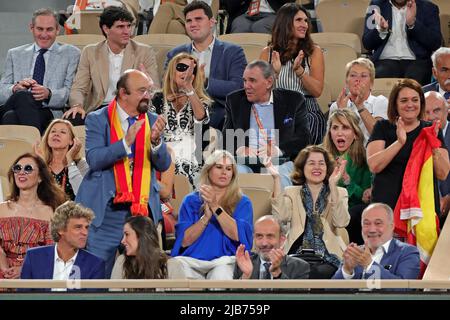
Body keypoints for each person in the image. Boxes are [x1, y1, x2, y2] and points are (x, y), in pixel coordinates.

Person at [75, 69, 171, 278]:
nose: (148, 95)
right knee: (96, 273)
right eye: (141, 90)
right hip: (106, 210)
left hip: (141, 210)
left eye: (149, 90)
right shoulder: (98, 119)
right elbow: (95, 159)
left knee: (143, 274)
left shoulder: (153, 119)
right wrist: (125, 142)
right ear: (123, 93)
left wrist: (156, 142)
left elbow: (163, 164)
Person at [65, 5, 160, 125]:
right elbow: (79, 88)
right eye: (120, 27)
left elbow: (155, 90)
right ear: (106, 29)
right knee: (73, 117)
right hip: (100, 108)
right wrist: (77, 105)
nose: (127, 32)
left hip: (131, 107)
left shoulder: (144, 52)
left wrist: (147, 83)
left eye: (129, 26)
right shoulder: (90, 52)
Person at [223, 60, 310, 188]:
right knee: (237, 175)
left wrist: (277, 150)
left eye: (252, 80)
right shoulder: (235, 100)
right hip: (246, 163)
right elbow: (226, 139)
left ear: (269, 82)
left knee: (279, 176)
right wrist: (240, 149)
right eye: (245, 80)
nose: (246, 86)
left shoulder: (293, 100)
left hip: (281, 162)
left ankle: (281, 208)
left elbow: (304, 138)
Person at [367, 79, 449, 213]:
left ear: (421, 103)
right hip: (388, 210)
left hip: (421, 211)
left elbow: (443, 173)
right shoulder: (382, 127)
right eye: (404, 100)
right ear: (395, 104)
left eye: (415, 100)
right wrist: (399, 142)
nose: (410, 104)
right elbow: (374, 165)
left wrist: (433, 145)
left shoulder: (431, 130)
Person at [269, 145, 350, 279]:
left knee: (317, 273)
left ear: (327, 168)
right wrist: (276, 178)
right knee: (288, 269)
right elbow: (281, 217)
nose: (317, 167)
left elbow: (341, 222)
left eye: (321, 163)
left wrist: (333, 185)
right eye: (311, 163)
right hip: (296, 254)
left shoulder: (340, 192)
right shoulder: (291, 192)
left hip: (328, 256)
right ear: (302, 167)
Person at [170, 150, 253, 280]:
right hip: (192, 260)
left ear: (233, 174)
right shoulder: (191, 201)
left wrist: (215, 207)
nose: (224, 172)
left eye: (228, 169)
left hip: (224, 260)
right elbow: (184, 241)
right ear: (208, 170)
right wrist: (205, 218)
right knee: (174, 266)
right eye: (219, 167)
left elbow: (237, 234)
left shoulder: (242, 202)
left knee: (221, 275)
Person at [166, 1, 247, 130]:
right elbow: (167, 86)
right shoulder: (175, 54)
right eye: (189, 21)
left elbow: (238, 88)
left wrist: (205, 82)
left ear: (212, 22)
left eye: (198, 19)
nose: (193, 24)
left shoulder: (233, 52)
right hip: (180, 111)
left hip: (218, 114)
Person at [0, 8, 80, 134]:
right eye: (40, 29)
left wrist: (49, 94)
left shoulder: (71, 53)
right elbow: (2, 92)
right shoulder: (15, 54)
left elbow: (70, 91)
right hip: (16, 103)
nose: (44, 34)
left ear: (58, 30)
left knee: (11, 117)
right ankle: (40, 149)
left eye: (49, 29)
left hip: (48, 110)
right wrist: (15, 88)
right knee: (22, 95)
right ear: (31, 28)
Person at [260, 3, 325, 144]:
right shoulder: (268, 53)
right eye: (299, 20)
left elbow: (317, 90)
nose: (305, 25)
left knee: (309, 122)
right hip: (277, 106)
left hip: (306, 106)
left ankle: (299, 162)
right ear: (286, 23)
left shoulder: (314, 52)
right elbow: (260, 93)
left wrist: (300, 72)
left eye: (306, 21)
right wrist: (274, 73)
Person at [0, 153, 66, 279]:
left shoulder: (50, 212)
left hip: (36, 273)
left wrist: (24, 269)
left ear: (40, 177)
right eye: (17, 168)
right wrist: (5, 270)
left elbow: (51, 253)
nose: (21, 172)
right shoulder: (1, 209)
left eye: (28, 168)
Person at [151, 53, 210, 188]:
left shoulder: (200, 101)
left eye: (191, 70)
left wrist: (189, 89)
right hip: (162, 155)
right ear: (172, 72)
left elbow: (201, 117)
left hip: (190, 157)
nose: (187, 73)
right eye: (182, 67)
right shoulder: (158, 99)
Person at [21, 201, 105, 285]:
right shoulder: (34, 257)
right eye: (78, 227)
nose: (85, 233)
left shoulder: (95, 264)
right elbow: (23, 296)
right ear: (60, 229)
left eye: (86, 227)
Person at [322, 109, 372, 244]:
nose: (339, 133)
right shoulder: (320, 156)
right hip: (324, 209)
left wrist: (347, 180)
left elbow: (365, 198)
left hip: (351, 214)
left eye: (345, 128)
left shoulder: (364, 159)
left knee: (356, 213)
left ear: (355, 134)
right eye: (335, 128)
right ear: (330, 133)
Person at [332, 203, 420, 280]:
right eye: (366, 223)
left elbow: (404, 290)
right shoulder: (355, 253)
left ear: (392, 226)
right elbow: (330, 293)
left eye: (378, 223)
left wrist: (370, 265)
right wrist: (347, 270)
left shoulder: (407, 253)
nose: (372, 229)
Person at [362, 0, 441, 85]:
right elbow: (367, 43)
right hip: (385, 60)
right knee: (381, 75)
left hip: (417, 61)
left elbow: (435, 43)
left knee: (415, 80)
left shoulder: (428, 7)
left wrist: (413, 24)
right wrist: (380, 30)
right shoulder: (376, 6)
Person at [329, 58, 388, 144]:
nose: (358, 79)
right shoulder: (336, 106)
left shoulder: (380, 102)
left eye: (363, 76)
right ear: (346, 82)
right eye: (353, 75)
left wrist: (360, 106)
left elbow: (378, 134)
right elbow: (333, 141)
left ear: (371, 83)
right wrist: (342, 112)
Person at [233, 215, 309, 280]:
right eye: (259, 236)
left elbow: (297, 296)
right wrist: (245, 277)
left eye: (270, 236)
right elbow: (232, 297)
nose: (264, 243)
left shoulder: (299, 266)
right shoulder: (243, 264)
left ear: (282, 240)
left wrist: (277, 273)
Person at [35, 119, 89, 200]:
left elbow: (83, 194)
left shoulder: (81, 164)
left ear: (72, 141)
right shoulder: (40, 164)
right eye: (53, 131)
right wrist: (42, 165)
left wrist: (70, 160)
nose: (56, 134)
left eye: (63, 132)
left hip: (72, 211)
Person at [111, 216, 168, 280]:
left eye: (127, 234)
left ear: (142, 236)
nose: (122, 241)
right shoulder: (121, 262)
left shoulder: (172, 266)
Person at [424, 91, 450, 222]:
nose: (431, 117)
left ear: (447, 111)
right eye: (426, 112)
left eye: (436, 111)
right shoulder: (415, 136)